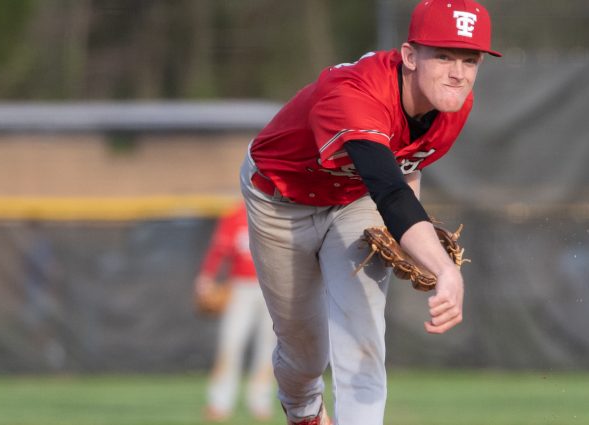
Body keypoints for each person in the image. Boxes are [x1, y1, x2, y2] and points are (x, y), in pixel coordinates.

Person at [239, 1, 500, 424]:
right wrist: (445, 269)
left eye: (470, 60)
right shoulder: (353, 92)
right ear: (410, 55)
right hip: (279, 202)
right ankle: (304, 410)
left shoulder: (453, 106)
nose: (459, 72)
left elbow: (407, 170)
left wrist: (411, 238)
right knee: (305, 351)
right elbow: (389, 187)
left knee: (363, 338)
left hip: (355, 201)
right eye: (445, 56)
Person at [194, 202, 277, 422]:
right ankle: (220, 402)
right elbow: (219, 249)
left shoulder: (278, 214)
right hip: (240, 287)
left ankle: (261, 401)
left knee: (269, 347)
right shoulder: (235, 216)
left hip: (273, 286)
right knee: (230, 342)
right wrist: (206, 277)